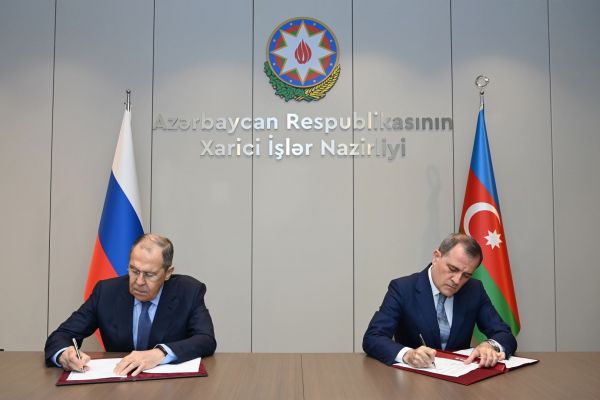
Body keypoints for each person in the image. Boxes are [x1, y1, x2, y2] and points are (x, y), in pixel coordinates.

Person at [44, 233, 217, 376]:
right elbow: (61, 336)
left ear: (167, 273)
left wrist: (160, 353)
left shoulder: (189, 292)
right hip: (118, 384)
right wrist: (64, 354)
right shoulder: (106, 292)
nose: (139, 282)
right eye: (134, 271)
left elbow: (205, 339)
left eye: (149, 274)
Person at [363, 233, 516, 368]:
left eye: (466, 275)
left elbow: (504, 333)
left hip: (460, 381)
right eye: (453, 269)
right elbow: (373, 337)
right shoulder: (403, 288)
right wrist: (407, 354)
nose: (457, 280)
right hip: (415, 380)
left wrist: (490, 345)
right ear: (436, 257)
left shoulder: (474, 290)